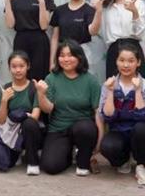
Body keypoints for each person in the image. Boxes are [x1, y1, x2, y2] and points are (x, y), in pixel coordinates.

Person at [35, 40, 102, 176]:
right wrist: (41, 94)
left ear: (79, 57)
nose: (66, 59)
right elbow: (48, 109)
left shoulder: (91, 80)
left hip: (82, 128)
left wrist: (99, 141)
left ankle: (83, 160)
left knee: (85, 128)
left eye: (70, 55)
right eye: (62, 55)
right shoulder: (51, 78)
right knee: (50, 166)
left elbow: (98, 113)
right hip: (58, 129)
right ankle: (68, 154)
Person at [98, 41, 145, 185]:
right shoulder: (109, 84)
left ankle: (141, 165)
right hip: (119, 132)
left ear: (138, 62)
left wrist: (137, 90)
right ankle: (123, 160)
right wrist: (110, 91)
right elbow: (108, 115)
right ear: (116, 62)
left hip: (139, 133)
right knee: (108, 147)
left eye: (131, 61)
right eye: (122, 60)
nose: (126, 65)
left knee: (142, 129)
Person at [0, 51, 43, 175]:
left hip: (28, 132)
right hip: (9, 133)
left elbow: (35, 116)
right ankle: (16, 153)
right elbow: (1, 121)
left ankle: (32, 162)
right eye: (14, 66)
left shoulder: (33, 87)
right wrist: (4, 101)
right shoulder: (5, 88)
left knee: (29, 123)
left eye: (21, 66)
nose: (18, 70)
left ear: (28, 66)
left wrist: (23, 116)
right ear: (9, 68)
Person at [5, 0, 55, 80]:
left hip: (39, 41)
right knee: (21, 76)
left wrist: (41, 2)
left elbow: (44, 26)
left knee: (39, 77)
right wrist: (7, 1)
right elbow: (10, 24)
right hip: (20, 40)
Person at [99, 0, 145, 78]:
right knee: (113, 86)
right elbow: (103, 34)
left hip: (133, 50)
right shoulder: (106, 7)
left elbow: (140, 34)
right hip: (113, 52)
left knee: (136, 86)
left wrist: (134, 12)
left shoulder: (137, 4)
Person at [49, 0, 103, 67]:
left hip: (82, 55)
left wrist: (99, 11)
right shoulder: (59, 10)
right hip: (63, 56)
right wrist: (52, 61)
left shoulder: (89, 10)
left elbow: (93, 31)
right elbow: (55, 38)